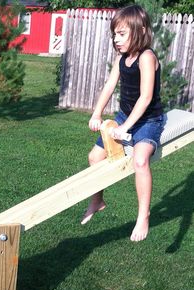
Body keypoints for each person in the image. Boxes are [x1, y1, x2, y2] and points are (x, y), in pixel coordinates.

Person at [81, 4, 166, 242]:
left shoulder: (147, 57)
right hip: (124, 116)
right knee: (94, 157)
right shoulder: (122, 58)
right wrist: (96, 114)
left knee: (140, 161)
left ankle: (143, 216)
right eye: (114, 34)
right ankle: (97, 200)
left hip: (149, 119)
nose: (116, 39)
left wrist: (125, 128)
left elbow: (146, 97)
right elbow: (109, 86)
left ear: (139, 31)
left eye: (121, 34)